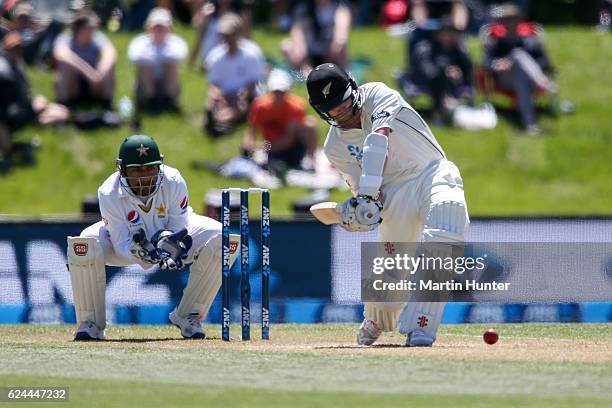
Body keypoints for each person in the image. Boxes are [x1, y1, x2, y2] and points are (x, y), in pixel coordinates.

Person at [306, 63, 469, 347]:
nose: (341, 113)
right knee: (393, 267)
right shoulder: (334, 148)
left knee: (447, 220)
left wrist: (366, 194)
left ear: (353, 90)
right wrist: (361, 210)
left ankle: (421, 326)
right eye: (332, 109)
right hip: (393, 193)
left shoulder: (379, 95)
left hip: (430, 171)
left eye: (343, 103)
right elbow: (370, 196)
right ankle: (377, 318)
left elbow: (378, 138)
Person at [67, 134, 240, 340]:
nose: (145, 176)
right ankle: (91, 324)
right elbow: (121, 241)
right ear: (122, 170)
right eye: (137, 170)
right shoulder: (108, 192)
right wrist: (139, 252)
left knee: (225, 238)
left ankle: (188, 316)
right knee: (84, 243)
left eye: (150, 168)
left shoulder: (173, 180)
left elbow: (179, 227)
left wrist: (170, 245)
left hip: (170, 235)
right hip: (129, 244)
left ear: (159, 166)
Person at [482, 3, 557, 134]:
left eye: (513, 18)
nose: (510, 22)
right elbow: (485, 63)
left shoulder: (531, 41)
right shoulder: (495, 43)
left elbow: (545, 63)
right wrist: (498, 64)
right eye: (506, 19)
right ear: (502, 22)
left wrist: (524, 65)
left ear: (519, 20)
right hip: (504, 80)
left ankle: (530, 125)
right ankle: (544, 83)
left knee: (520, 71)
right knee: (518, 55)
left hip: (526, 80)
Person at [0, 31, 68, 171]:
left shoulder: (18, 65)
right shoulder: (4, 70)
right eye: (12, 49)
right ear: (6, 49)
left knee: (62, 112)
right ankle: (13, 152)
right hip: (10, 114)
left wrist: (34, 103)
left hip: (15, 111)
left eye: (18, 49)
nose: (16, 52)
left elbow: (22, 95)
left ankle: (16, 149)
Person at [243, 69, 318, 170]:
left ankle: (312, 160)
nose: (279, 95)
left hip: (291, 147)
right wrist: (248, 145)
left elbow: (288, 139)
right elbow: (252, 129)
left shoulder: (296, 106)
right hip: (271, 144)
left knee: (310, 124)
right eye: (276, 91)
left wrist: (263, 148)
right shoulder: (260, 106)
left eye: (281, 91)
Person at [204, 12, 264, 137]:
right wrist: (217, 95)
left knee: (242, 105)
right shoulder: (215, 56)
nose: (227, 38)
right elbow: (213, 84)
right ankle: (222, 120)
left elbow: (253, 83)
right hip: (225, 95)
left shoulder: (251, 54)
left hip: (245, 95)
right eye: (225, 35)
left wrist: (243, 94)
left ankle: (223, 121)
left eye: (230, 34)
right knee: (212, 104)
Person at [410, 19, 473, 123]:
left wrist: (459, 72)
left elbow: (468, 69)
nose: (448, 37)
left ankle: (451, 108)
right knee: (440, 80)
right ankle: (438, 112)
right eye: (444, 34)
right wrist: (445, 71)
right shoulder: (426, 48)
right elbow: (427, 72)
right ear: (437, 34)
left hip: (452, 81)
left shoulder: (458, 50)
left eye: (451, 34)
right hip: (428, 80)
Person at [52, 9, 116, 109]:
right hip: (74, 84)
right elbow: (62, 56)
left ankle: (106, 106)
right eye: (88, 28)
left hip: (95, 83)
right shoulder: (65, 39)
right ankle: (64, 105)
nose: (91, 32)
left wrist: (101, 72)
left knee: (109, 67)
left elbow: (110, 53)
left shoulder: (97, 38)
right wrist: (88, 72)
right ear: (78, 29)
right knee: (65, 67)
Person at [127, 7, 188, 113]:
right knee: (145, 65)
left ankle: (168, 101)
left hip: (167, 84)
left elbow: (178, 56)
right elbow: (136, 57)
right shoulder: (139, 42)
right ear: (148, 27)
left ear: (169, 28)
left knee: (171, 65)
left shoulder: (176, 43)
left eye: (162, 27)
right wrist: (155, 59)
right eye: (156, 26)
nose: (159, 29)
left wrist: (156, 58)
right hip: (146, 85)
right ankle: (151, 101)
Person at [282, 0, 351, 77]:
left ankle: (344, 75)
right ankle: (308, 75)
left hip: (330, 53)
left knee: (341, 44)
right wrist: (300, 47)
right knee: (287, 46)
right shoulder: (304, 8)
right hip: (309, 54)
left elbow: (341, 31)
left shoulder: (339, 8)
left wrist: (337, 43)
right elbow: (297, 30)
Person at [188, 0, 252, 68]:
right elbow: (199, 38)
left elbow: (246, 39)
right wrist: (191, 63)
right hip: (209, 58)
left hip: (233, 57)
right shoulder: (208, 12)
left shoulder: (242, 13)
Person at [0, 2, 64, 66]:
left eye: (25, 18)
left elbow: (42, 30)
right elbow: (4, 26)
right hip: (17, 49)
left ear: (29, 20)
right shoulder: (12, 29)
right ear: (16, 20)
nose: (23, 20)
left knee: (56, 24)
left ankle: (45, 57)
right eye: (21, 18)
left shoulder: (33, 30)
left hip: (31, 50)